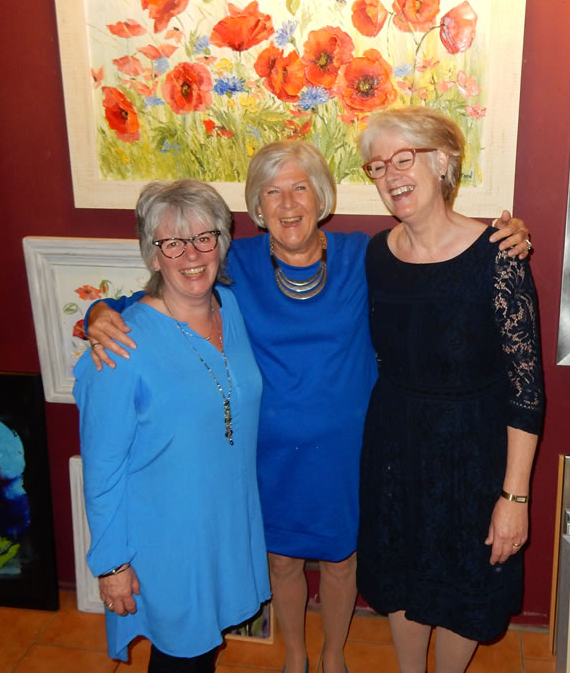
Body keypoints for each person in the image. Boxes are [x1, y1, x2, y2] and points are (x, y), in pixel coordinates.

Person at [86, 140, 530, 673]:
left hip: (350, 449)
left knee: (342, 561)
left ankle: (332, 653)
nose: (288, 203)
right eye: (272, 192)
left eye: (300, 187)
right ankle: (295, 655)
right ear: (257, 206)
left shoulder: (365, 256)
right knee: (282, 561)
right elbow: (166, 287)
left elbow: (435, 269)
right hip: (271, 453)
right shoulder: (234, 262)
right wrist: (100, 311)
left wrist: (503, 239)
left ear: (321, 197)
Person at [355, 106, 545, 673]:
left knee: (466, 580)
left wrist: (514, 498)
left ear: (441, 161)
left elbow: (527, 391)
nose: (390, 176)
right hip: (395, 449)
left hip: (473, 456)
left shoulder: (499, 254)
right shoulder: (375, 255)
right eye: (377, 166)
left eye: (402, 159)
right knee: (402, 572)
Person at [74, 179, 269, 673]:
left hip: (222, 523)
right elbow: (102, 470)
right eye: (173, 243)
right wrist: (112, 564)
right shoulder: (119, 347)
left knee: (202, 652)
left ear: (221, 242)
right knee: (182, 656)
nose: (191, 254)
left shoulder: (231, 308)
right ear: (153, 254)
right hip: (165, 538)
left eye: (203, 237)